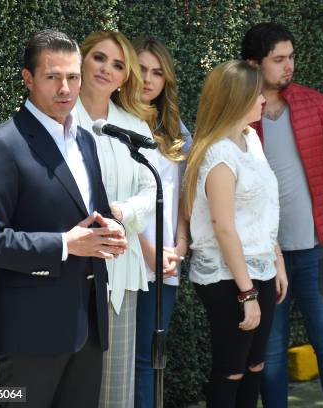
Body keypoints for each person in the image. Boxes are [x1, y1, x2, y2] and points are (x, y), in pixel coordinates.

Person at [0, 29, 127, 407]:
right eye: (53, 77)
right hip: (30, 336)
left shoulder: (85, 139)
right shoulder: (1, 145)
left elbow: (93, 213)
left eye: (73, 77)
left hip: (88, 327)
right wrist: (64, 245)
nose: (65, 89)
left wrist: (111, 229)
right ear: (28, 78)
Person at [241, 22, 323, 408]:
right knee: (272, 355)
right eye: (279, 59)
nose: (289, 66)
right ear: (254, 63)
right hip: (265, 255)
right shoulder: (240, 111)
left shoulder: (314, 103)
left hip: (321, 249)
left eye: (291, 57)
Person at [183, 59, 288, 408]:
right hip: (227, 278)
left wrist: (277, 261)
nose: (262, 100)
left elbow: (261, 210)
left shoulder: (249, 139)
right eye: (256, 94)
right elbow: (224, 227)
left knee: (255, 367)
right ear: (237, 99)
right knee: (232, 372)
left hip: (259, 269)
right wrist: (247, 293)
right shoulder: (219, 154)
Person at [71, 31, 157, 407]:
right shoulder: (57, 117)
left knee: (115, 386)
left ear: (126, 77)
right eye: (99, 58)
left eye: (118, 64)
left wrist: (122, 213)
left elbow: (150, 189)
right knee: (68, 383)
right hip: (67, 269)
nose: (107, 69)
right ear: (82, 61)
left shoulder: (134, 126)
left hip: (120, 269)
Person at [132, 37, 192, 408]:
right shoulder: (111, 122)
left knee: (152, 358)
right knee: (129, 358)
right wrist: (148, 249)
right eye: (141, 70)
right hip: (128, 256)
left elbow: (184, 194)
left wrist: (182, 241)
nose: (149, 79)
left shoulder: (176, 130)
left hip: (166, 261)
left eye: (157, 72)